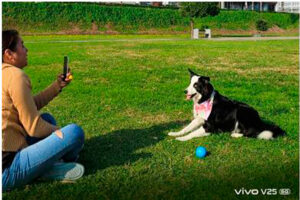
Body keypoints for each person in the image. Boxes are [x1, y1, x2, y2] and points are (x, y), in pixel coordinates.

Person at [2, 30, 85, 192]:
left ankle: (44, 166)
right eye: (22, 45)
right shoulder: (16, 76)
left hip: (9, 154)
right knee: (74, 133)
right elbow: (34, 127)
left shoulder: (5, 74)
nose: (26, 50)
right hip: (7, 169)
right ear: (9, 54)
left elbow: (29, 106)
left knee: (47, 118)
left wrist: (57, 86)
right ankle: (48, 167)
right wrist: (59, 133)